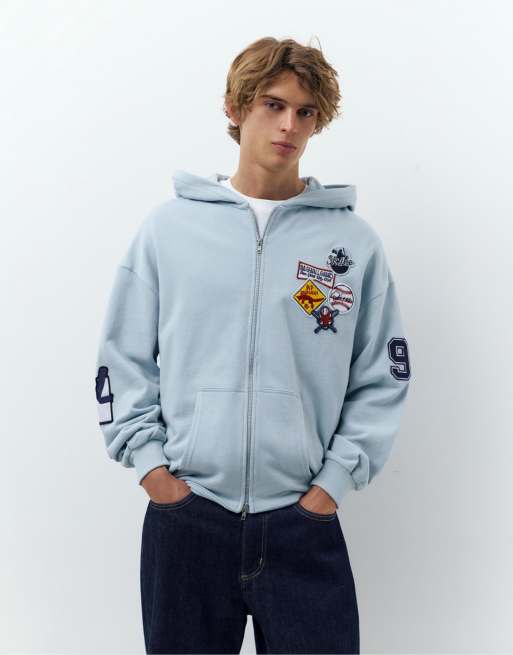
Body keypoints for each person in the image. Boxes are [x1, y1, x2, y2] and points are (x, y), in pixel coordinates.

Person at [94, 36, 412, 655]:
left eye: (306, 112)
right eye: (273, 105)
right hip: (188, 519)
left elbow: (383, 374)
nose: (289, 125)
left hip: (303, 523)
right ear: (236, 108)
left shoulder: (352, 245)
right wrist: (154, 470)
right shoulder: (168, 230)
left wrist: (330, 487)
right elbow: (121, 358)